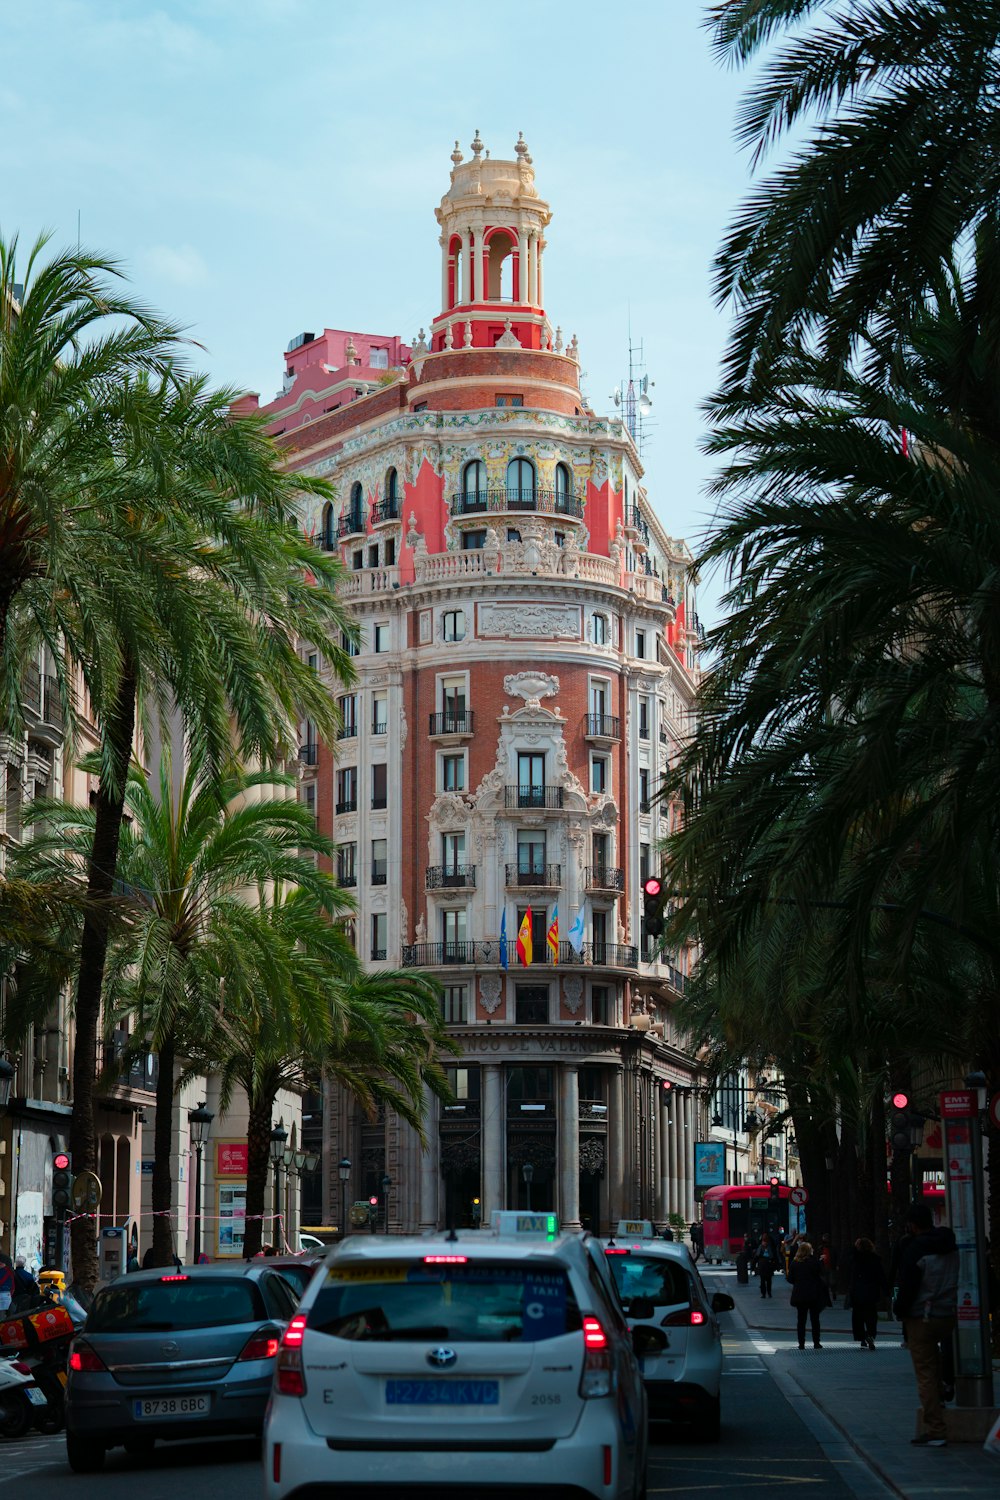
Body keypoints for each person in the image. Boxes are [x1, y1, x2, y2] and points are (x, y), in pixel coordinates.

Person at [894, 1202, 958, 1447]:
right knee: (943, 1359)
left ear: (912, 1224)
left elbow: (908, 1286)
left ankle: (935, 1427)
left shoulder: (915, 1249)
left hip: (921, 1315)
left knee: (926, 1373)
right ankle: (946, 1387)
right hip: (947, 1312)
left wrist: (900, 1310)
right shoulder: (949, 1244)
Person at [787, 1239, 829, 1349]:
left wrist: (798, 1282)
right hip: (813, 1294)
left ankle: (801, 1343)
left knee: (801, 1320)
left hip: (800, 1295)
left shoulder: (795, 1263)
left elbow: (790, 1279)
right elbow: (821, 1274)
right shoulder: (814, 1262)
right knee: (815, 1319)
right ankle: (816, 1342)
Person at [848, 1237, 888, 1349]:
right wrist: (886, 1289)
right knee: (871, 1315)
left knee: (858, 1316)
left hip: (857, 1291)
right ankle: (870, 1334)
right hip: (871, 1291)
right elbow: (881, 1276)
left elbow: (847, 1264)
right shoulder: (874, 1259)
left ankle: (862, 1338)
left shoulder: (855, 1258)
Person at [753, 1231, 778, 1298]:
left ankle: (766, 1293)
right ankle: (766, 1293)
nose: (764, 1242)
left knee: (766, 1280)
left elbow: (756, 1257)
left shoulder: (767, 1247)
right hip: (764, 1265)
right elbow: (756, 1257)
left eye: (765, 1241)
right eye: (763, 1241)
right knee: (765, 1280)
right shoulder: (763, 1247)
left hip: (766, 1265)